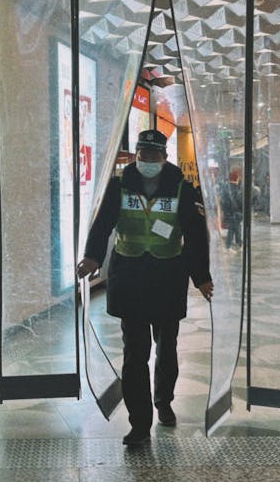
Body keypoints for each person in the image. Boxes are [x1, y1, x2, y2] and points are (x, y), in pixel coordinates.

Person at [76, 129, 213, 446]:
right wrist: (93, 257)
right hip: (132, 279)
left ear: (164, 157)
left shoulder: (181, 188)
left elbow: (195, 235)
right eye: (144, 155)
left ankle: (163, 401)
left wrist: (201, 276)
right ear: (136, 155)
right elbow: (103, 223)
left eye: (155, 155)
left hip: (168, 278)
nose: (149, 160)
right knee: (135, 354)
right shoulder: (119, 186)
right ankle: (139, 425)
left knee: (167, 349)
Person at [222, 168, 243, 250]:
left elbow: (224, 201)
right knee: (234, 228)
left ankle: (236, 243)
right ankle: (231, 245)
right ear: (236, 178)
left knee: (234, 228)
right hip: (235, 213)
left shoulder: (226, 187)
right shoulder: (235, 189)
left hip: (229, 212)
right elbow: (238, 201)